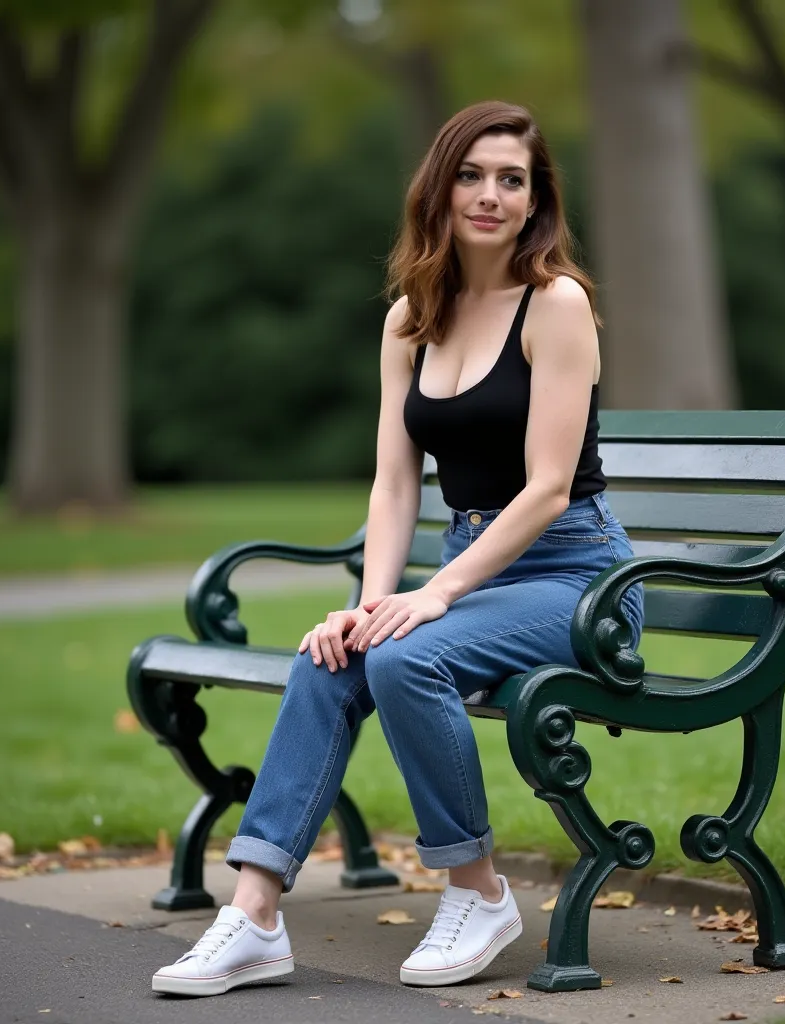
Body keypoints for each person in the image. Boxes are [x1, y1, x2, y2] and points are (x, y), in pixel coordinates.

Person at [152, 99, 644, 998]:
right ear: (440, 186)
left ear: (536, 201)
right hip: (479, 566)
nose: (489, 194)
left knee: (407, 656)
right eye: (472, 174)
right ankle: (254, 912)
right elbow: (394, 484)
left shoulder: (557, 303)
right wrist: (368, 600)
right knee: (333, 656)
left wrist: (433, 595)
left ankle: (477, 889)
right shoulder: (410, 317)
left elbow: (546, 488)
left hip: (578, 577)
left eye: (512, 179)